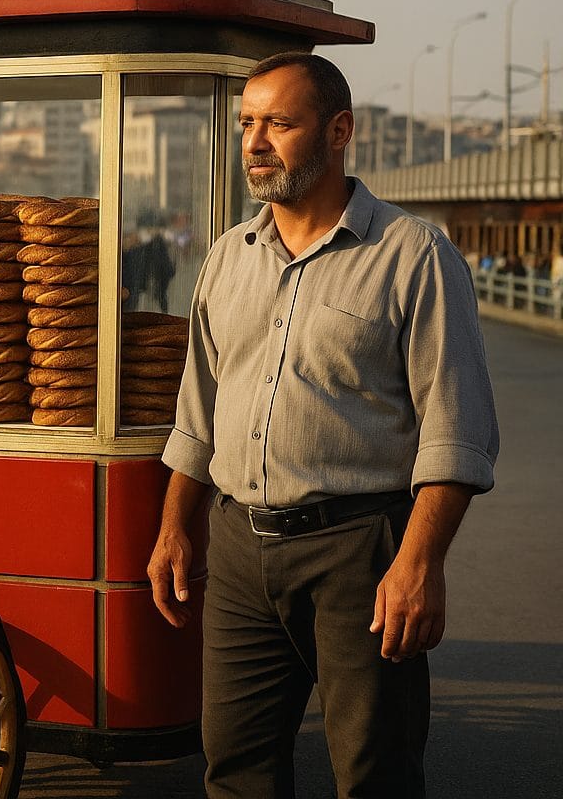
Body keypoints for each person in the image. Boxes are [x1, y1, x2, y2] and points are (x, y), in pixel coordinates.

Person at [147, 52, 499, 797]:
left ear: (339, 131)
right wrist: (178, 524)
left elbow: (457, 427)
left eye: (279, 123)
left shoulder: (413, 254)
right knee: (235, 768)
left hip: (360, 552)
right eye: (247, 123)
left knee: (374, 770)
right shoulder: (226, 258)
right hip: (241, 551)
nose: (254, 142)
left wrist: (420, 562)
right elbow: (198, 410)